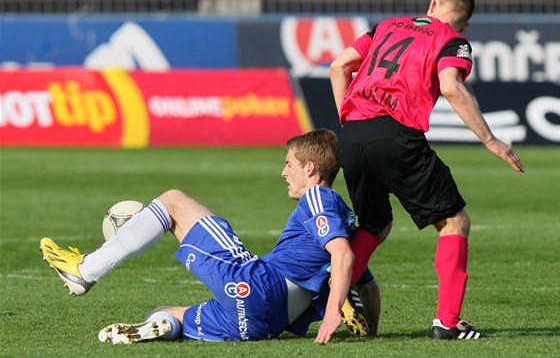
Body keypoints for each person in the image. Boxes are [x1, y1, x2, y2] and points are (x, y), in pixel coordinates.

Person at [40, 129, 379, 344]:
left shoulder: (319, 198)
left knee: (172, 201)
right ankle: (156, 329)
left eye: (289, 163)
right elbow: (365, 283)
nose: (283, 171)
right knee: (165, 313)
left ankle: (85, 270)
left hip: (258, 286)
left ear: (310, 169)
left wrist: (334, 310)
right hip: (264, 324)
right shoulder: (347, 221)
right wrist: (373, 332)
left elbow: (342, 256)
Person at [329, 0, 525, 340]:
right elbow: (450, 86)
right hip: (396, 134)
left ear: (432, 3)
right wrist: (490, 139)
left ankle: (340, 285)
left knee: (374, 222)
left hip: (353, 135)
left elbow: (339, 66)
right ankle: (448, 324)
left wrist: (349, 122)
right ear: (464, 24)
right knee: (453, 221)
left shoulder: (385, 27)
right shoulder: (453, 40)